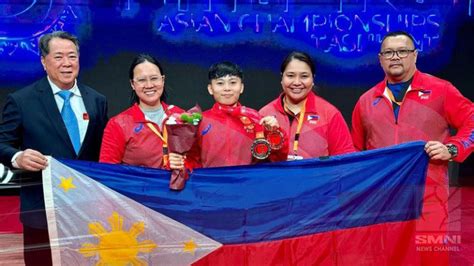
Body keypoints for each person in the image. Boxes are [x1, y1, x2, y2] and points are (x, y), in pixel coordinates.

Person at [351, 31, 473, 264]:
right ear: (380, 59)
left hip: (429, 197)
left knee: (431, 259)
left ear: (414, 55)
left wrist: (454, 148)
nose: (395, 57)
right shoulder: (367, 101)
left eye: (402, 51)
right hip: (382, 200)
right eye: (388, 52)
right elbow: (355, 151)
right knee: (383, 258)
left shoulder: (441, 90)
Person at [0, 31, 108, 265]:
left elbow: (102, 153)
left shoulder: (97, 100)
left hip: (86, 210)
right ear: (43, 61)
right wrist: (18, 157)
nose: (67, 63)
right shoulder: (21, 100)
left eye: (72, 56)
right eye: (59, 57)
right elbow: (2, 143)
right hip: (41, 211)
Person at [188, 61, 288, 167]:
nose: (227, 88)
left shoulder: (256, 119)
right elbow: (191, 161)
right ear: (210, 89)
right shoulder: (200, 121)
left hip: (247, 182)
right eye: (220, 83)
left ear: (241, 87)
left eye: (233, 82)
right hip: (212, 183)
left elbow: (278, 159)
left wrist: (275, 132)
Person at [259, 51, 354, 160]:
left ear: (313, 79)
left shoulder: (329, 114)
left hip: (319, 177)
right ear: (282, 78)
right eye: (290, 76)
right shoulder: (264, 114)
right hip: (275, 177)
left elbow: (346, 161)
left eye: (304, 76)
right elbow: (254, 161)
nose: (297, 82)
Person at [99, 54, 184, 170]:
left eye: (154, 78)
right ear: (132, 84)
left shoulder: (181, 116)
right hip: (137, 188)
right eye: (142, 80)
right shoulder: (118, 124)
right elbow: (108, 171)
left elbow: (197, 160)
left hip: (179, 187)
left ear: (163, 80)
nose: (149, 85)